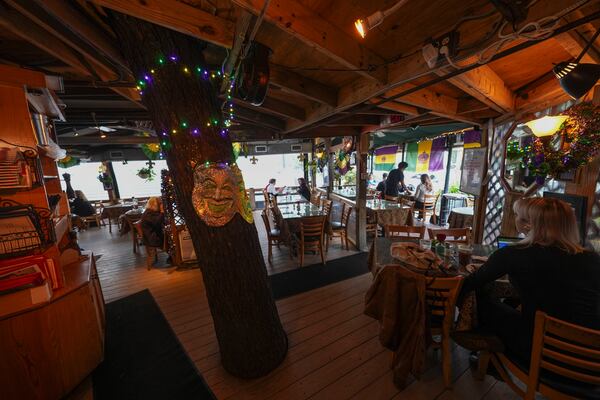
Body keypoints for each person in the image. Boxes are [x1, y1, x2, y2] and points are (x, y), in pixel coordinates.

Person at [460, 197, 600, 365]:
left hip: (540, 353)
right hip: (590, 361)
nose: (515, 219)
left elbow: (470, 283)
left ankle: (488, 353)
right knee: (516, 302)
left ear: (529, 224)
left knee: (480, 298)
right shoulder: (593, 259)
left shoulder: (514, 254)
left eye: (517, 215)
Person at [141, 197, 165, 270]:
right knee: (172, 238)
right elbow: (157, 223)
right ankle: (174, 258)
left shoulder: (151, 212)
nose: (162, 205)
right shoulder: (148, 213)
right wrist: (162, 212)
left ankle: (173, 257)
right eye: (160, 203)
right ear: (155, 204)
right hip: (151, 238)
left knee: (170, 235)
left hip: (152, 235)